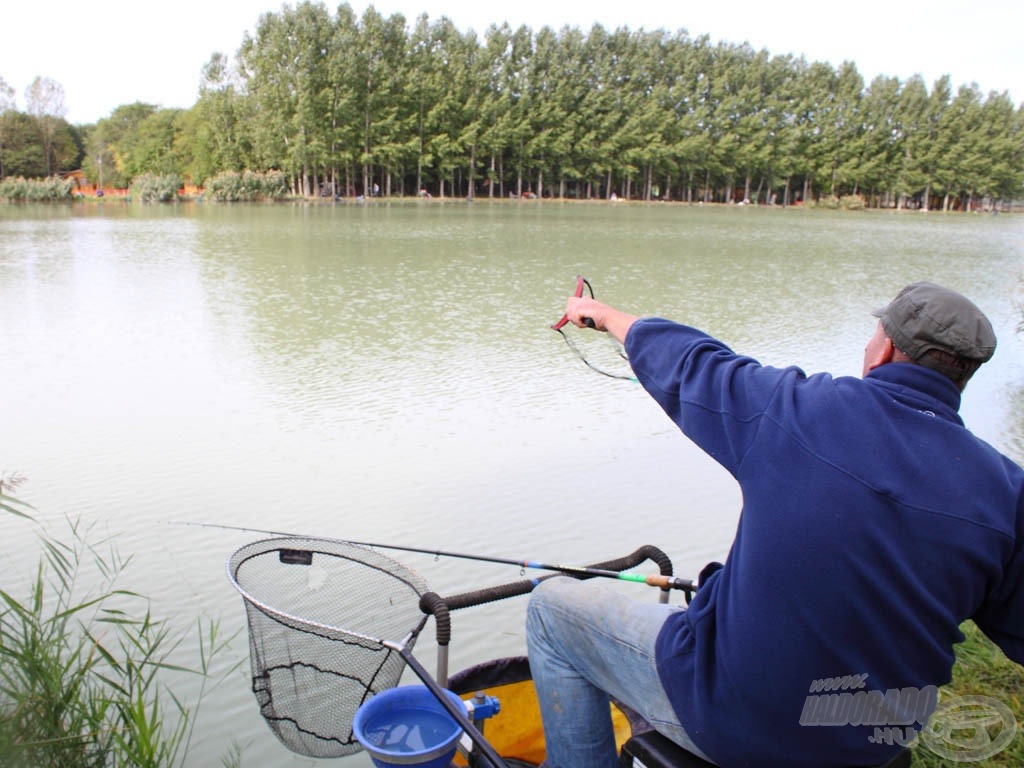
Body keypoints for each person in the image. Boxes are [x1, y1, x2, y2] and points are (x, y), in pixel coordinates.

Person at [526, 281, 1024, 768]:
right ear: (963, 375)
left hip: (746, 723)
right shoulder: (1007, 491)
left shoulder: (797, 412)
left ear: (886, 348)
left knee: (552, 610)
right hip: (877, 739)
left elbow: (691, 362)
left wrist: (607, 315)